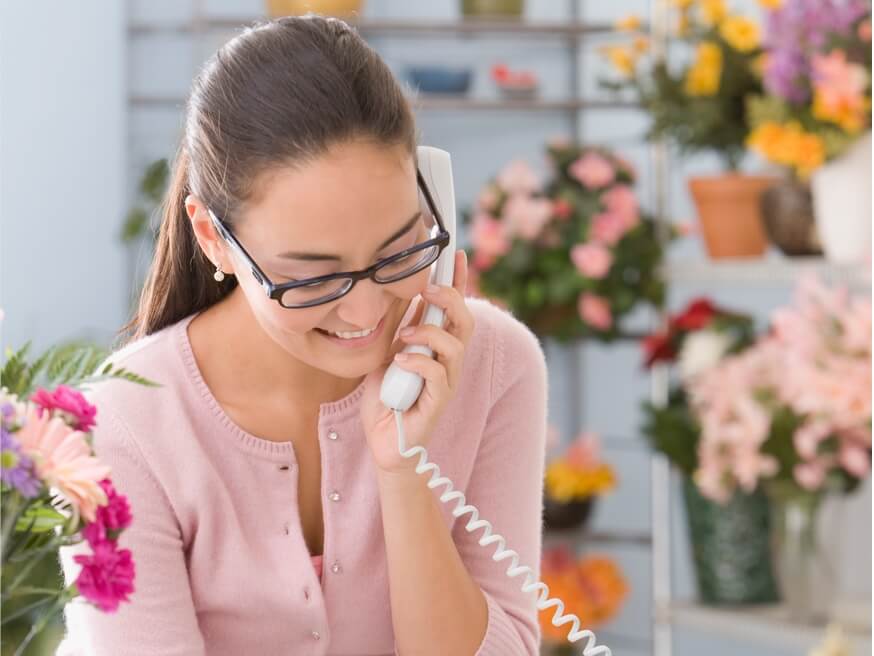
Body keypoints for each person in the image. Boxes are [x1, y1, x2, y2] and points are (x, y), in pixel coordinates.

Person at [56, 14, 547, 656]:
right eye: (311, 277)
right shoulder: (119, 429)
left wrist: (403, 474)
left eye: (399, 249)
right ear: (213, 238)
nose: (364, 311)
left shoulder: (494, 366)